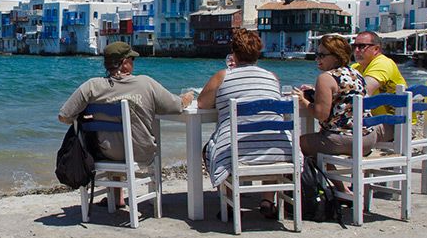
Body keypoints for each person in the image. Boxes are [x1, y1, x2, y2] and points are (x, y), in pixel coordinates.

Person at [58, 41, 193, 206]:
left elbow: (64, 116)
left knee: (114, 139)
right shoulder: (145, 83)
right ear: (124, 63)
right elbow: (176, 106)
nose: (133, 63)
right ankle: (134, 199)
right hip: (141, 152)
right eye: (132, 59)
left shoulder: (92, 86)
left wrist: (86, 118)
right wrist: (187, 97)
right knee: (129, 139)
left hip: (106, 153)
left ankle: (117, 198)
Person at [198, 28, 289, 219]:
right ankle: (267, 200)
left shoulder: (223, 76)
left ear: (234, 53)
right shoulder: (272, 77)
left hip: (238, 152)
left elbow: (202, 103)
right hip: (280, 150)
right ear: (258, 53)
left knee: (211, 149)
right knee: (267, 136)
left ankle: (229, 202)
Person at [294, 35, 378, 161]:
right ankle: (333, 181)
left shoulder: (325, 78)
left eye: (322, 55)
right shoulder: (355, 73)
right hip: (368, 139)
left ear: (336, 56)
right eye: (317, 54)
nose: (317, 58)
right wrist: (316, 92)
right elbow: (344, 96)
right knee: (317, 145)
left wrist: (303, 100)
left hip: (345, 139)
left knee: (294, 145)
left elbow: (320, 114)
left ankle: (315, 180)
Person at [351, 30, 408, 142]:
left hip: (397, 124)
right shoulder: (357, 67)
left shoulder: (383, 63)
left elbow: (363, 91)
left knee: (340, 137)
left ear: (376, 49)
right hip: (378, 121)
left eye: (362, 46)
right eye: (354, 46)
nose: (356, 50)